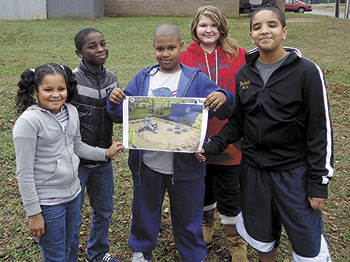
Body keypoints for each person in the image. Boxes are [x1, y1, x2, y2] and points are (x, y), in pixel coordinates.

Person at [196, 6, 333, 262]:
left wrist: (318, 183)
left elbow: (320, 131)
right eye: (257, 27)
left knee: (307, 245)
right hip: (253, 172)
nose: (264, 31)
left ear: (284, 31)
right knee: (262, 238)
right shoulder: (244, 74)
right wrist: (213, 145)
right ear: (251, 35)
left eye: (271, 24)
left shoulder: (307, 72)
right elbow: (238, 122)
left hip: (293, 173)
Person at [106, 24, 236, 262]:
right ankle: (141, 252)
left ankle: (193, 255)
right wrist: (114, 101)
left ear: (181, 47)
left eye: (171, 48)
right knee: (144, 212)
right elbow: (121, 114)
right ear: (153, 49)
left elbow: (225, 107)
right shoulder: (144, 77)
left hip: (186, 167)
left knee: (188, 216)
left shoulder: (195, 78)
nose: (165, 53)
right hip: (149, 165)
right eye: (159, 48)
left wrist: (224, 95)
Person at [13, 63, 123, 262]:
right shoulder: (28, 122)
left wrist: (105, 153)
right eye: (48, 90)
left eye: (61, 89)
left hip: (73, 194)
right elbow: (24, 172)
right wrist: (34, 213)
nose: (56, 95)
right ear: (35, 91)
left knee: (72, 244)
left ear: (68, 89)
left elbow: (77, 146)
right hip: (48, 202)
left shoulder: (70, 111)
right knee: (56, 253)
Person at [179, 5, 247, 261]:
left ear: (222, 28)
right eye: (203, 25)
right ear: (195, 28)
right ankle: (206, 224)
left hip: (230, 137)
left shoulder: (238, 54)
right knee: (202, 186)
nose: (208, 30)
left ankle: (235, 240)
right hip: (194, 138)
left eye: (213, 25)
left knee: (230, 190)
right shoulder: (184, 56)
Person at [72, 28, 120, 262]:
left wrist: (120, 103)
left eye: (103, 43)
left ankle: (98, 253)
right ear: (80, 52)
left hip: (104, 159)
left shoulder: (112, 78)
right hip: (76, 162)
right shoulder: (70, 81)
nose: (100, 49)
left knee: (104, 211)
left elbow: (117, 116)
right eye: (92, 46)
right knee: (72, 215)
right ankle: (68, 256)